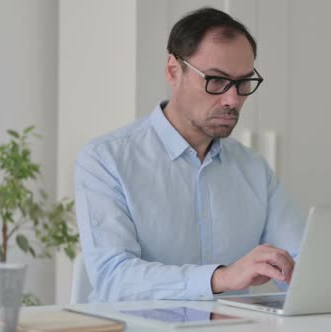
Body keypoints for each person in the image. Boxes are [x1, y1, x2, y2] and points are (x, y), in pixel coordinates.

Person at [74, 7, 305, 302]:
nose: (232, 100)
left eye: (243, 83)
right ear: (173, 70)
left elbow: (301, 264)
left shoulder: (253, 168)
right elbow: (114, 278)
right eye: (216, 81)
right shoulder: (106, 159)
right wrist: (220, 277)